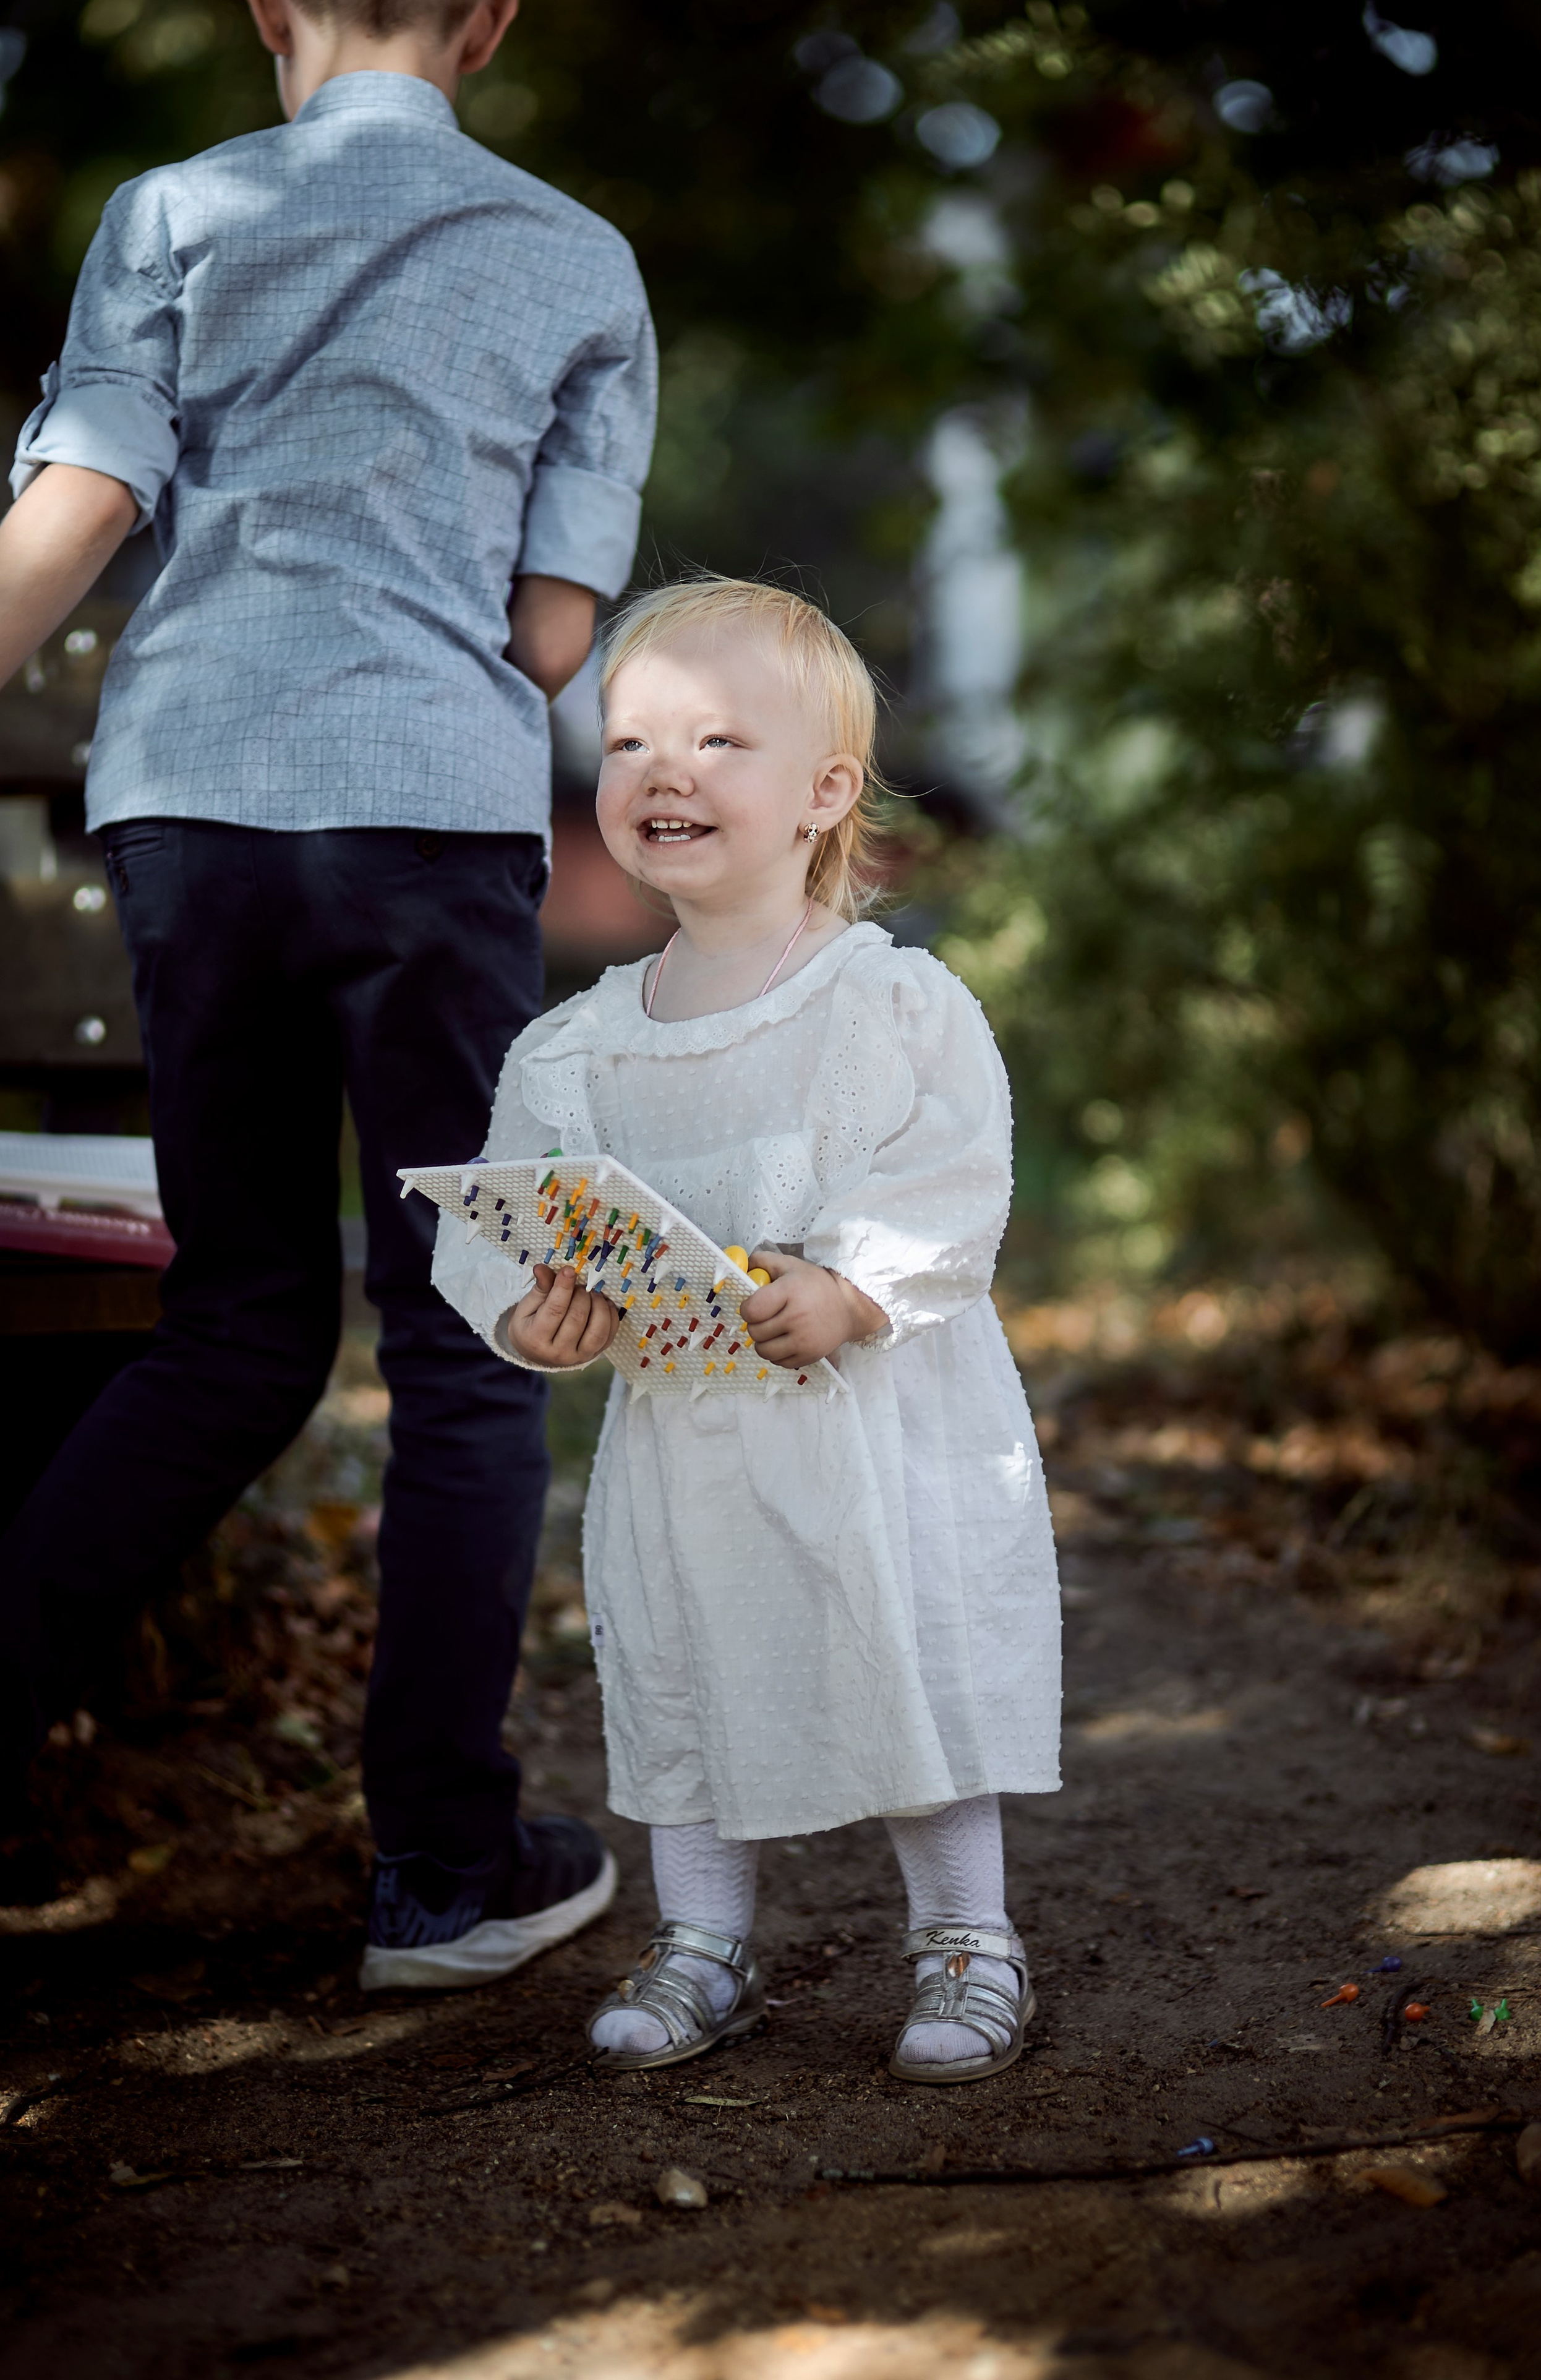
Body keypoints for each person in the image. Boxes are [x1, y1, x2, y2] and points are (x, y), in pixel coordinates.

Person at [0, 0, 656, 1989]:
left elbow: (88, 502)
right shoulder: (577, 257)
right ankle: (449, 1870)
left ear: (272, 11)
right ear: (493, 24)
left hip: (194, 807)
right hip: (429, 825)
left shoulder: (176, 210)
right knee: (463, 1341)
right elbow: (550, 630)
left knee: (238, 1330)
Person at [432, 577, 1062, 2082]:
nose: (664, 772)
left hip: (870, 1418)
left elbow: (954, 1170)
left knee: (898, 1645)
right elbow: (502, 1222)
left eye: (719, 741)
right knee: (686, 1663)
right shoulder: (575, 1044)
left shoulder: (888, 1003)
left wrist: (850, 1284)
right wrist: (543, 1314)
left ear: (822, 792)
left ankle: (968, 1938)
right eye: (632, 740)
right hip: (688, 1432)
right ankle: (702, 1937)